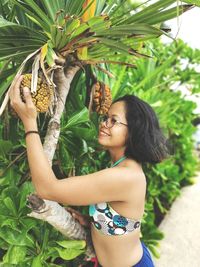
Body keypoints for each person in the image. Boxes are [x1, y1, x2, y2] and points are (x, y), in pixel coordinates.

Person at [9, 75, 169, 267]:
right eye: (105, 118)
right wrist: (95, 220)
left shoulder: (125, 176)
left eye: (113, 120)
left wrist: (29, 123)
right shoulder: (123, 167)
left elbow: (46, 188)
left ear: (134, 130)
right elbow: (121, 217)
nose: (104, 123)